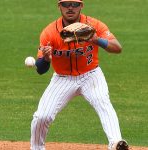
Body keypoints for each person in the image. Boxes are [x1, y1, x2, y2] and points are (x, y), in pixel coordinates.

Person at [30, 0, 129, 150]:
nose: (70, 8)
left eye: (75, 4)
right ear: (59, 6)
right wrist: (45, 59)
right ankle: (36, 148)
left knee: (103, 104)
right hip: (62, 79)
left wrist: (96, 40)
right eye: (66, 4)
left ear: (81, 6)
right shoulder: (49, 32)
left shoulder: (94, 25)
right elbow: (40, 69)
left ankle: (116, 144)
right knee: (42, 116)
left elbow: (117, 48)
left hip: (91, 75)